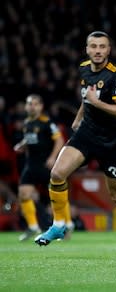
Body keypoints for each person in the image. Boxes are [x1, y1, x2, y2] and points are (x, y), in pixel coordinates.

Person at [34, 31, 116, 256]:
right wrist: (79, 118)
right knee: (57, 174)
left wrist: (97, 103)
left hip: (111, 142)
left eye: (102, 47)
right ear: (87, 49)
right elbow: (86, 97)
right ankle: (59, 224)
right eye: (94, 46)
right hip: (86, 134)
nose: (98, 51)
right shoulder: (84, 69)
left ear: (108, 50)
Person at [13, 94, 73, 241]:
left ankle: (68, 223)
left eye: (35, 104)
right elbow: (31, 140)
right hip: (31, 164)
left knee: (57, 193)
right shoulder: (27, 123)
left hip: (46, 164)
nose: (32, 106)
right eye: (29, 104)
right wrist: (22, 145)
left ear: (41, 107)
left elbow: (60, 140)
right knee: (23, 194)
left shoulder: (47, 122)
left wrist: (53, 157)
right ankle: (33, 227)